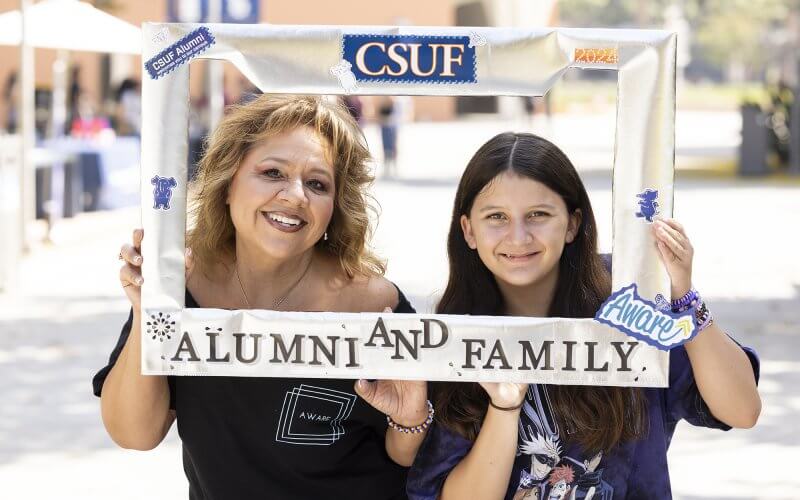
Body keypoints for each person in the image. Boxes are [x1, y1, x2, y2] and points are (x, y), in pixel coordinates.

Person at [93, 95, 430, 499]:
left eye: (317, 184)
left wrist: (411, 423)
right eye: (272, 172)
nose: (295, 195)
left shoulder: (374, 305)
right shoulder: (178, 283)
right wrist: (147, 312)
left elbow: (414, 459)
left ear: (334, 208)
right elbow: (134, 434)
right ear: (228, 184)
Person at [407, 132, 761, 500]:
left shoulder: (628, 301)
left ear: (573, 223)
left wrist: (683, 296)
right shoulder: (456, 334)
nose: (518, 236)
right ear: (468, 231)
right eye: (496, 217)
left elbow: (742, 410)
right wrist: (504, 406)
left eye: (538, 215)